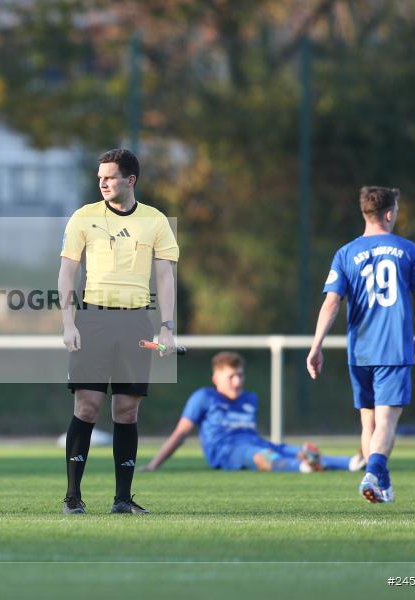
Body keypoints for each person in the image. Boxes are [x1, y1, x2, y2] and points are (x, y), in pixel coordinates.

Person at [58, 148, 179, 514]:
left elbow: (165, 276)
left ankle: (122, 499)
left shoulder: (156, 221)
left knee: (127, 411)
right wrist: (67, 323)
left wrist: (167, 326)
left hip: (136, 323)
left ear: (131, 179)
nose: (103, 183)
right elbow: (66, 273)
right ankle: (73, 496)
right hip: (92, 320)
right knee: (88, 405)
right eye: (100, 178)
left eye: (110, 177)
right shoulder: (83, 217)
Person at [307, 186, 415, 504]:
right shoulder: (407, 249)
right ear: (389, 214)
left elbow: (332, 302)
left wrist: (316, 345)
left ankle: (380, 482)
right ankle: (373, 472)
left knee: (369, 422)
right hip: (393, 348)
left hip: (359, 349)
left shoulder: (345, 253)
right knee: (386, 422)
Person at [139, 352, 365, 474]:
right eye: (231, 377)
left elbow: (252, 434)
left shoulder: (250, 399)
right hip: (227, 451)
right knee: (259, 455)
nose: (238, 381)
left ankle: (349, 463)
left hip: (257, 442)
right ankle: (303, 468)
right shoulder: (204, 397)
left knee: (296, 450)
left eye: (240, 375)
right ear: (216, 378)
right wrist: (153, 465)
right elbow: (180, 434)